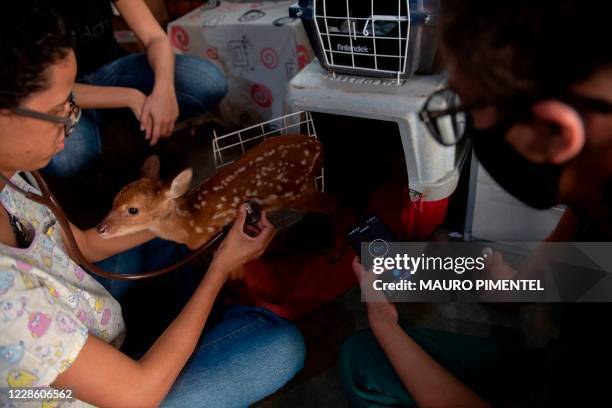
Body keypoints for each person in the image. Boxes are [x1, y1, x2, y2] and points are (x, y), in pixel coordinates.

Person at [0, 3, 303, 406]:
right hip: (100, 395)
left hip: (84, 320)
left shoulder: (14, 172)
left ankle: (163, 337)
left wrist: (167, 220)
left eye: (72, 104)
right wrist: (220, 269)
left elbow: (85, 245)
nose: (72, 124)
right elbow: (138, 395)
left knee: (162, 243)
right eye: (58, 112)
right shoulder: (8, 300)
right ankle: (174, 339)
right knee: (279, 346)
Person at [340, 0, 612, 406]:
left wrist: (385, 325)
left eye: (469, 111)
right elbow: (587, 243)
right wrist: (516, 288)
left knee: (366, 365)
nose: (465, 126)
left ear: (553, 131)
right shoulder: (597, 180)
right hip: (558, 359)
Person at [45, 0, 228, 178]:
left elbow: (155, 37)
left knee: (210, 82)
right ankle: (110, 149)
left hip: (113, 69)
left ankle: (137, 128)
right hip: (63, 94)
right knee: (69, 158)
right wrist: (131, 97)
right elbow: (49, 91)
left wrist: (164, 88)